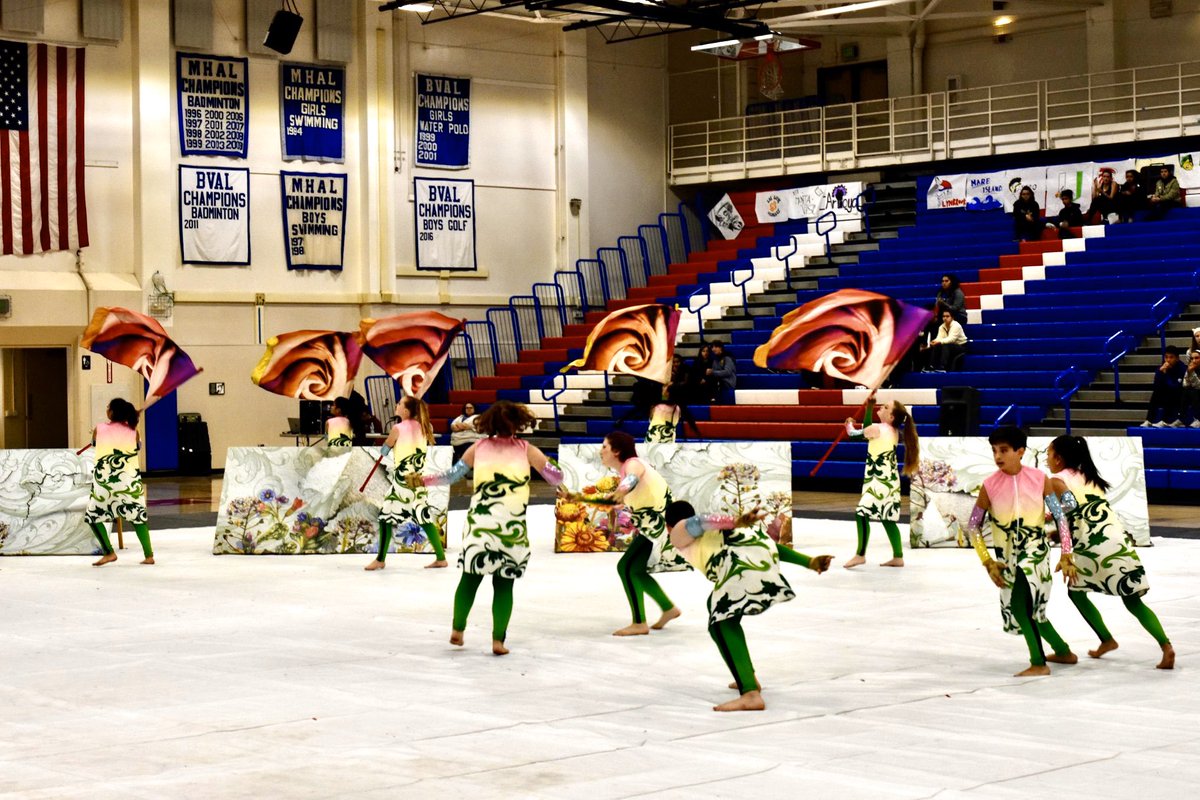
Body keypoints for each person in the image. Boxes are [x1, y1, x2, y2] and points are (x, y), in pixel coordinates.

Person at [423, 400, 562, 655]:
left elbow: (452, 475)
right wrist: (552, 464)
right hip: (511, 527)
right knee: (504, 584)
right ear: (519, 423)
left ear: (488, 423)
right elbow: (555, 477)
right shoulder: (526, 449)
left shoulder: (478, 447)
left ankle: (458, 629)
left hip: (480, 525)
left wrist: (424, 480)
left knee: (470, 578)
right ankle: (498, 641)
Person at [666, 501, 833, 712]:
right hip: (756, 562)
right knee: (717, 610)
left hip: (741, 568)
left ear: (667, 526)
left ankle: (750, 693)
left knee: (721, 622)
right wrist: (808, 562)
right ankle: (746, 675)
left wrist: (733, 521)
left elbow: (695, 522)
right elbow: (772, 546)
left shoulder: (679, 532)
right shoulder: (717, 533)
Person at [1047, 436, 1175, 669]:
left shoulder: (1055, 481)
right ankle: (1166, 646)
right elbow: (1083, 511)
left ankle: (1107, 639)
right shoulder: (1091, 478)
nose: (1047, 459)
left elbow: (1068, 513)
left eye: (1048, 454)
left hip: (1091, 547)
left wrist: (1064, 551)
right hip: (1117, 542)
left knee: (1076, 593)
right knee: (1133, 600)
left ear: (1058, 458)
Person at [963, 426, 1078, 677]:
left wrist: (1066, 554)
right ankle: (1062, 651)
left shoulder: (1039, 479)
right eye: (994, 450)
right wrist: (987, 561)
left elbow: (1060, 519)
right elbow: (973, 527)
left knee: (1020, 607)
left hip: (1035, 552)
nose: (998, 456)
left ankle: (1038, 663)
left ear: (1021, 451)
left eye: (1004, 450)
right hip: (1006, 559)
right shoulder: (989, 485)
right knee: (1033, 611)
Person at [600, 430, 687, 636]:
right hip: (654, 527)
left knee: (626, 567)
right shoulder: (626, 468)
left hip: (658, 527)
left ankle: (639, 622)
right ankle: (668, 608)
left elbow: (632, 478)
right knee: (635, 570)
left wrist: (621, 493)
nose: (600, 451)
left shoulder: (632, 463)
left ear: (617, 450)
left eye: (604, 446)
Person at [365, 395, 446, 570]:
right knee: (423, 516)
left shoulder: (397, 428)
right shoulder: (426, 427)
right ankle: (441, 557)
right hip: (417, 480)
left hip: (402, 482)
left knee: (385, 517)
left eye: (400, 403)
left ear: (406, 411)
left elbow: (385, 449)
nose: (397, 405)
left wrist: (387, 446)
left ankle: (380, 559)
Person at [842, 396, 919, 569]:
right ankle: (898, 557)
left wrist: (848, 424)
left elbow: (854, 436)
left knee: (861, 514)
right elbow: (868, 430)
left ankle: (860, 554)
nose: (881, 408)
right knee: (887, 518)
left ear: (891, 417)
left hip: (878, 480)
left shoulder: (878, 428)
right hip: (890, 481)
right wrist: (869, 409)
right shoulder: (893, 432)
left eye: (885, 407)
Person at [85, 398, 153, 567]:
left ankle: (109, 552)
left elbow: (94, 444)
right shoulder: (134, 431)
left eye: (108, 407)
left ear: (113, 412)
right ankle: (149, 555)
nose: (106, 409)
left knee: (93, 517)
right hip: (129, 483)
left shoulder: (99, 429)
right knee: (138, 517)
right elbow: (137, 448)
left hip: (104, 482)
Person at [1140, 346, 1186, 427]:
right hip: (1166, 393)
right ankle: (1149, 420)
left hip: (1180, 395)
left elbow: (1174, 387)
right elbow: (1156, 385)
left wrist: (1165, 374)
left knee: (1169, 393)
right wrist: (1160, 373)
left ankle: (1165, 420)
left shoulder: (1182, 368)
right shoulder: (1162, 367)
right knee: (1156, 393)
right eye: (1166, 357)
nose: (1168, 360)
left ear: (1177, 358)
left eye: (1171, 357)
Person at [1182, 350, 1200, 427]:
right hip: (1194, 392)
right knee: (1185, 391)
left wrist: (1191, 373)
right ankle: (1182, 419)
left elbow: (1199, 386)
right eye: (1192, 358)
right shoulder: (1190, 369)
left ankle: (1198, 419)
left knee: (1194, 391)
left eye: (1197, 358)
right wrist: (1190, 372)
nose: (1194, 361)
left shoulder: (1191, 370)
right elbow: (1185, 384)